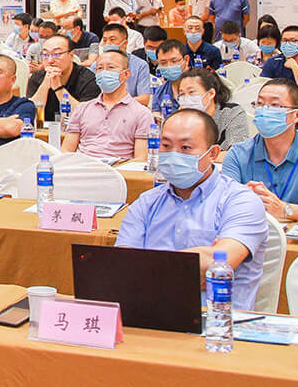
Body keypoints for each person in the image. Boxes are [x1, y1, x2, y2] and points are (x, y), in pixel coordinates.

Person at [114, 108, 266, 303]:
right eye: (166, 146)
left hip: (217, 315)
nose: (173, 154)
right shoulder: (146, 202)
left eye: (185, 148)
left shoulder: (241, 201)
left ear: (213, 153)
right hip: (150, 310)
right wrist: (193, 262)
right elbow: (124, 267)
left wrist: (147, 267)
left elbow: (216, 268)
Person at [223, 79, 298, 224]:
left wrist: (283, 209)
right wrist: (241, 198)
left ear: (297, 115)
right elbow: (223, 206)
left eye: (275, 105)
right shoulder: (237, 154)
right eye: (260, 104)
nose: (264, 110)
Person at [61, 47, 153, 161]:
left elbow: (141, 158)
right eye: (100, 68)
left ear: (126, 74)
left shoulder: (142, 113)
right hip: (83, 166)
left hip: (119, 169)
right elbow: (66, 150)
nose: (104, 72)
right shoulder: (82, 109)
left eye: (111, 68)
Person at [173, 67, 250, 150]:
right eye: (182, 94)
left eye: (191, 92)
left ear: (211, 93)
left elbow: (237, 151)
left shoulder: (232, 113)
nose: (186, 98)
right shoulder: (179, 118)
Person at [26, 34, 94, 124]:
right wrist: (45, 84)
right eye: (45, 55)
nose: (50, 60)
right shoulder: (37, 77)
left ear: (71, 55)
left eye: (56, 54)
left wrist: (58, 88)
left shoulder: (87, 78)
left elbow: (85, 116)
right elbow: (30, 114)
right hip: (44, 130)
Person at [259, 24, 298, 95]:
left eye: (293, 41)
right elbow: (262, 87)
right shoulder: (272, 62)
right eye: (284, 40)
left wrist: (295, 67)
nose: (287, 44)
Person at [148, 39, 192, 118]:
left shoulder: (200, 83)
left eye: (174, 61)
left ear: (186, 59)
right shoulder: (160, 91)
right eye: (163, 63)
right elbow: (156, 114)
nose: (169, 66)